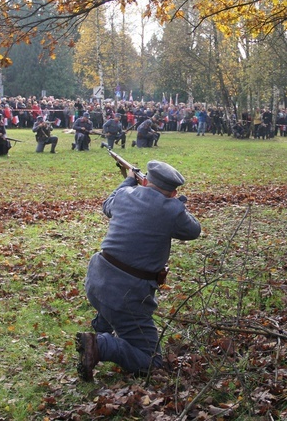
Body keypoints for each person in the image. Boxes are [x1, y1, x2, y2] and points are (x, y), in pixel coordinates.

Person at [76, 160, 201, 380]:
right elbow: (194, 230)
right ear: (173, 190)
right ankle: (100, 344)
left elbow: (108, 204)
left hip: (96, 281)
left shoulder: (125, 194)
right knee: (151, 360)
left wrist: (129, 179)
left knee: (111, 303)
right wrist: (178, 203)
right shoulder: (171, 209)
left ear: (147, 180)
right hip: (127, 294)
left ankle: (102, 328)